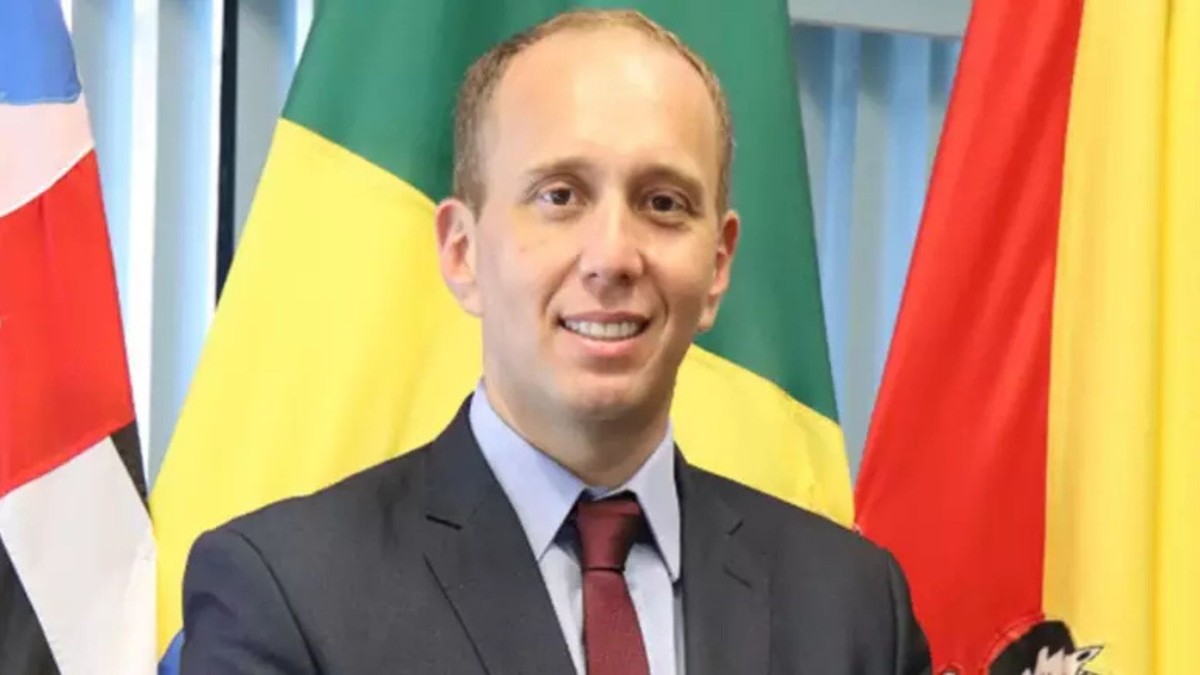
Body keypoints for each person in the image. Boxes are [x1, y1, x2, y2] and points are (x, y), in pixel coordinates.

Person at [180, 9, 931, 674]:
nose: (612, 256)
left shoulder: (855, 607)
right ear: (462, 252)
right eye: (560, 196)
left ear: (718, 267)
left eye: (663, 203)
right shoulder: (286, 594)